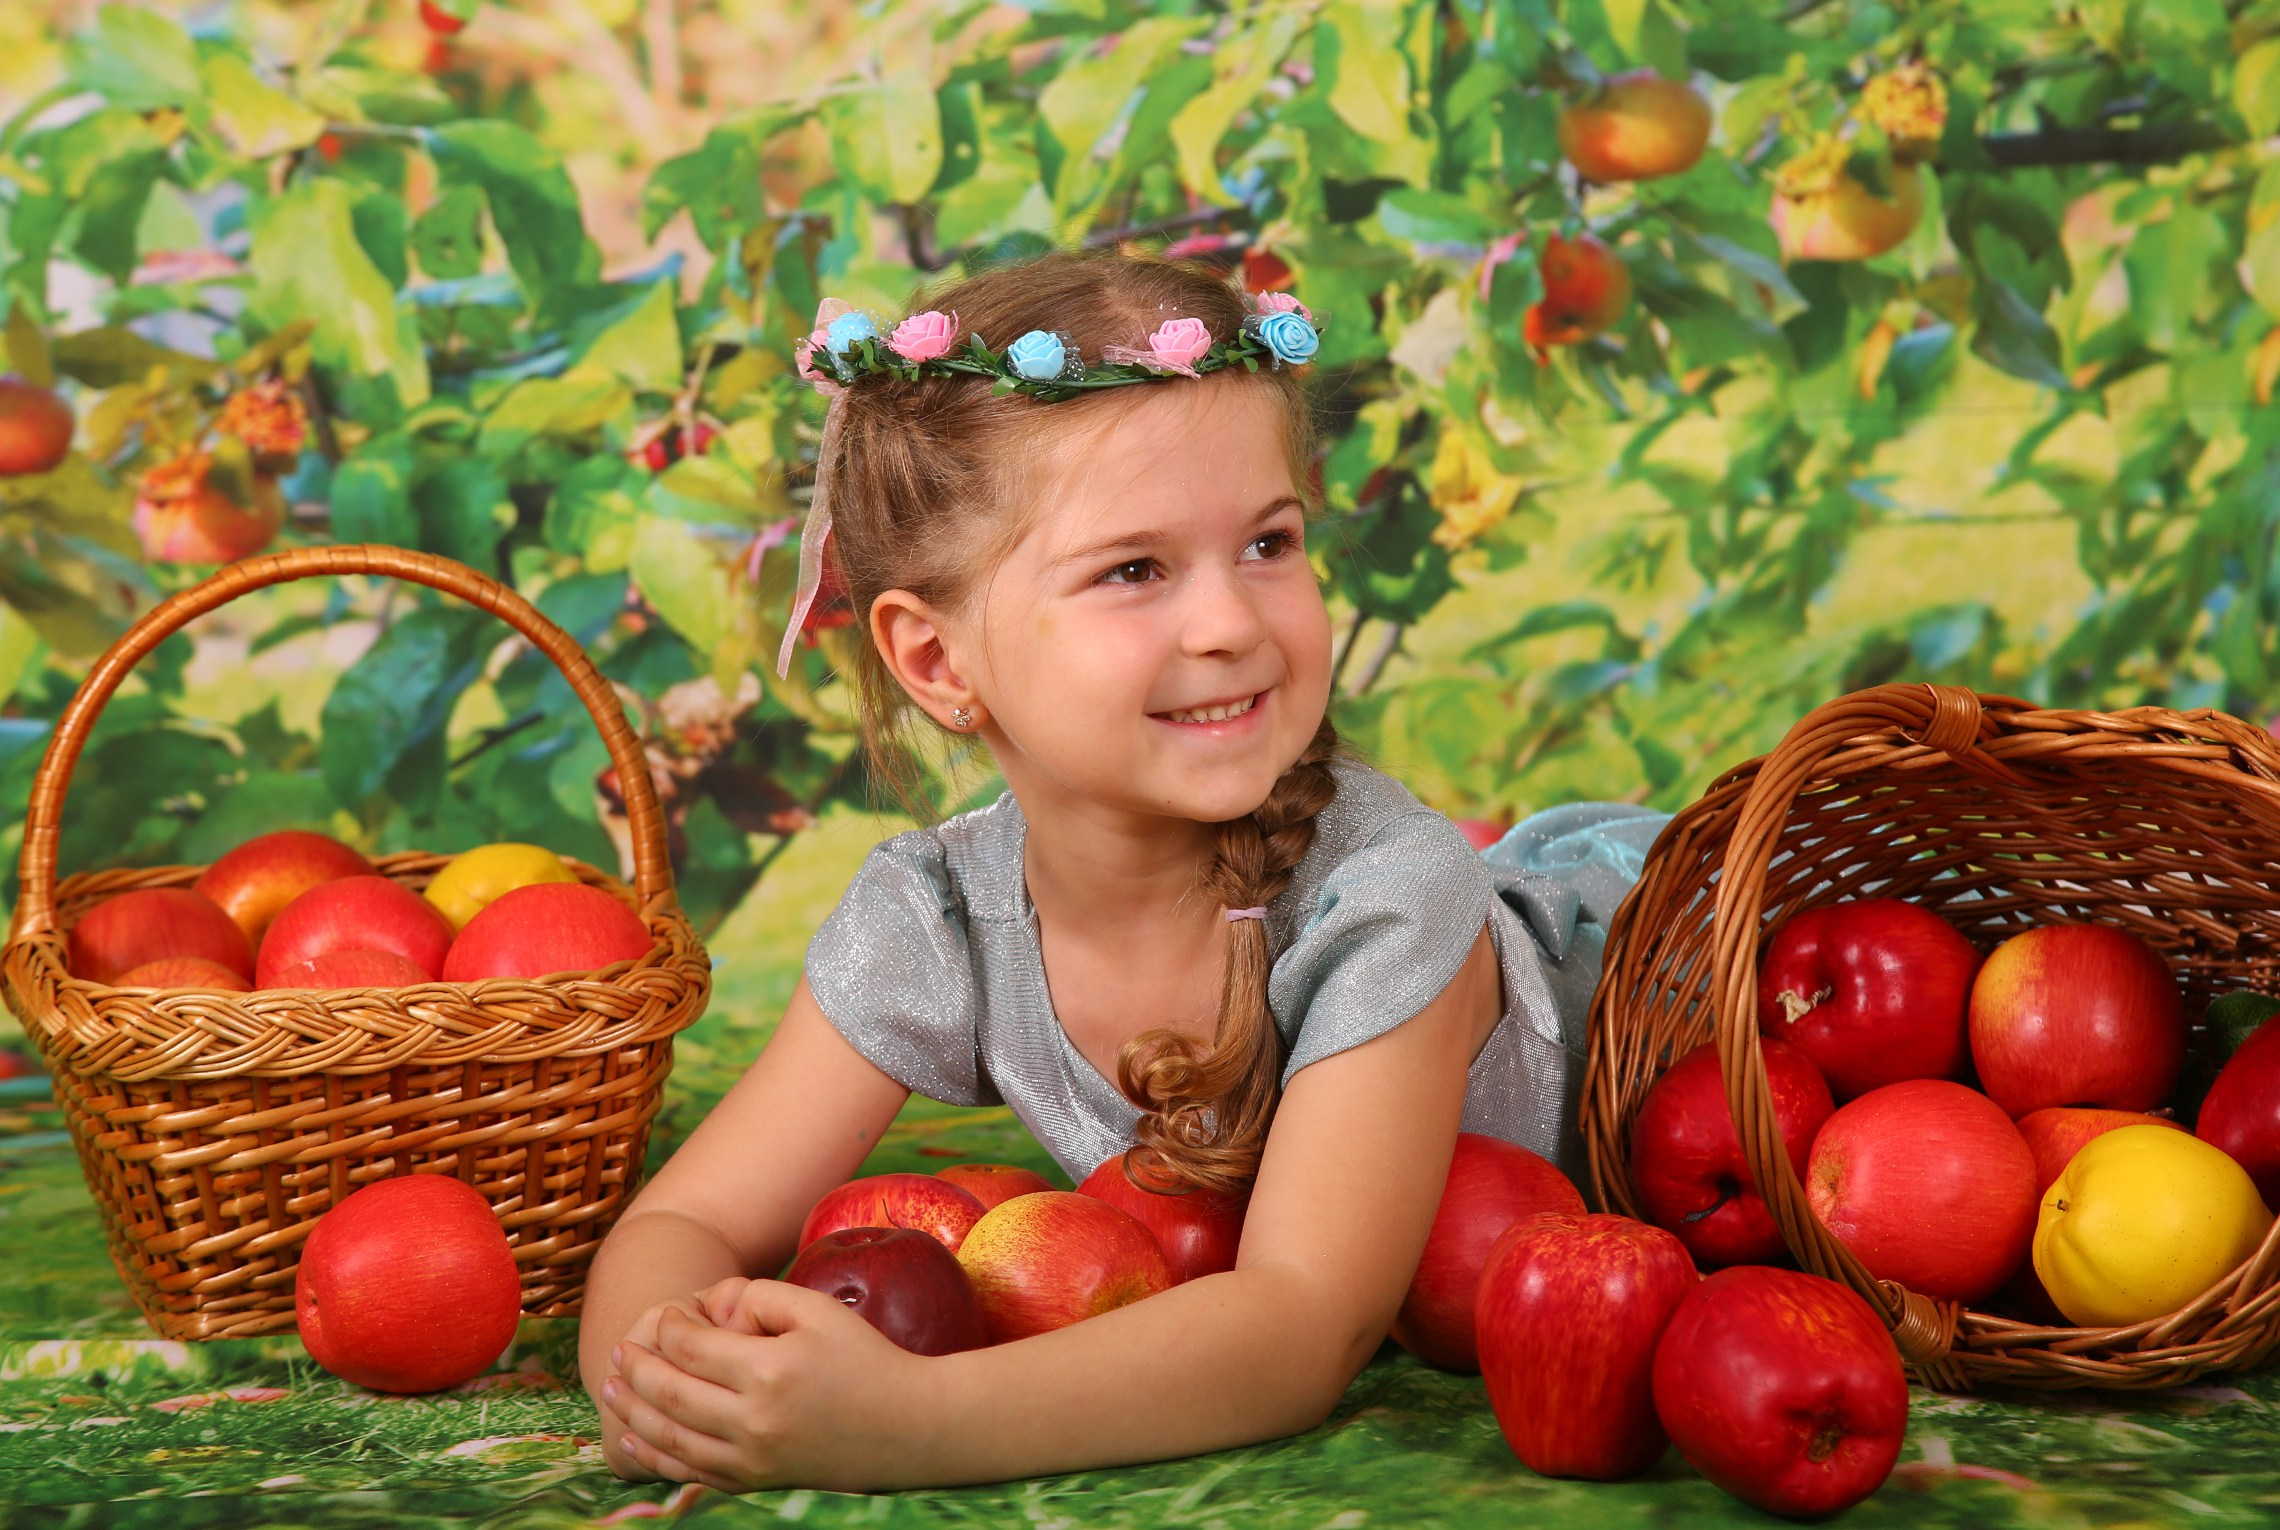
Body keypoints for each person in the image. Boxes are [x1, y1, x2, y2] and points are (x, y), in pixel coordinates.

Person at [579, 251, 1666, 1493]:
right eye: (1135, 570)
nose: (1231, 624)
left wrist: (915, 1420)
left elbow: (1301, 1326)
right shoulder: (939, 917)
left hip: (1700, 1002)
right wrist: (660, 1384)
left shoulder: (1385, 894)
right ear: (937, 663)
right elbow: (686, 1224)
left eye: (1269, 542)